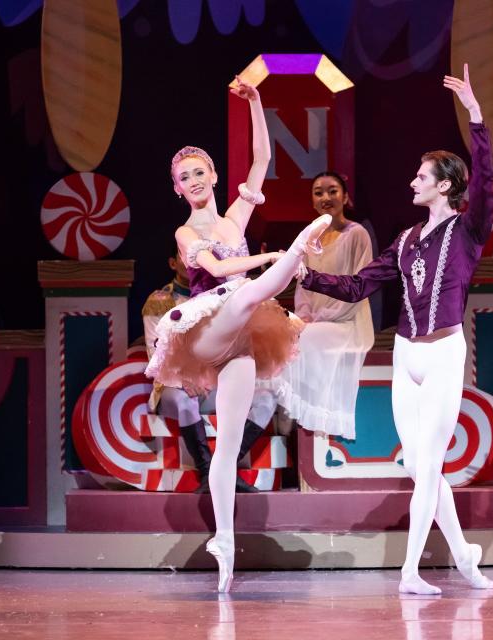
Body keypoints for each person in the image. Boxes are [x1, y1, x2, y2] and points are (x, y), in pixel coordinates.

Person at [296, 64, 493, 595]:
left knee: (429, 464)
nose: (412, 181)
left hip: (444, 353)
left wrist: (475, 116)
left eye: (422, 176)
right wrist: (304, 273)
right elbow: (359, 285)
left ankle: (409, 574)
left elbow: (486, 176)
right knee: (423, 468)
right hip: (406, 356)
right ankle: (466, 560)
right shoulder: (405, 240)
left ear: (446, 185)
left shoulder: (469, 229)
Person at [145, 76, 331, 593]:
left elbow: (262, 160)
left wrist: (256, 104)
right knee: (248, 291)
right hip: (209, 323)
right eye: (185, 176)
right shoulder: (188, 233)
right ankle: (295, 251)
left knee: (227, 443)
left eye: (200, 171)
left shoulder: (235, 217)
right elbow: (219, 271)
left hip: (242, 341)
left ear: (212, 174)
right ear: (177, 188)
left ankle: (224, 540)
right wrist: (273, 257)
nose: (195, 179)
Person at [142, 247, 277, 494]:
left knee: (266, 397)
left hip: (214, 384)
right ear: (174, 263)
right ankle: (207, 472)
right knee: (184, 400)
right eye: (185, 257)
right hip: (175, 387)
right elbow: (156, 351)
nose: (193, 262)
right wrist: (183, 379)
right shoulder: (159, 301)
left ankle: (225, 468)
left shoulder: (217, 296)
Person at [272, 172, 374, 439]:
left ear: (346, 197)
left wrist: (321, 318)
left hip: (348, 323)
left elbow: (359, 287)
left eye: (332, 191)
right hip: (315, 323)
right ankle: (283, 416)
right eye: (319, 192)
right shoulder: (308, 239)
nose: (326, 198)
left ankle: (294, 416)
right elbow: (303, 290)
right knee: (282, 339)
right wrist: (302, 319)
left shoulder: (356, 234)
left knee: (304, 340)